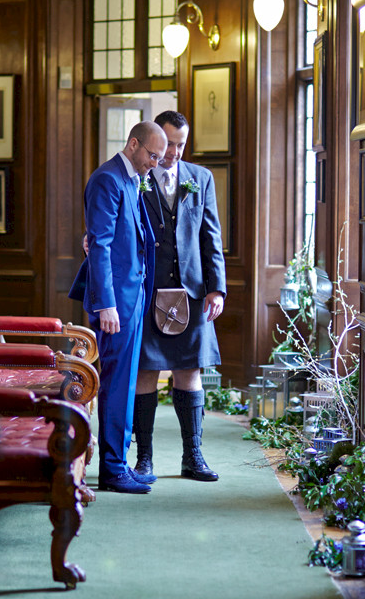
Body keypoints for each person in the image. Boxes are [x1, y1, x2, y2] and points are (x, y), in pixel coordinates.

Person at [69, 121, 167, 494]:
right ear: (133, 144)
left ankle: (120, 461)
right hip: (115, 304)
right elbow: (101, 245)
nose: (155, 164)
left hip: (134, 296)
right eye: (152, 155)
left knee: (126, 383)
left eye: (159, 157)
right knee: (115, 383)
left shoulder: (131, 179)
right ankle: (112, 469)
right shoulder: (107, 179)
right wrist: (106, 304)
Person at [133, 110, 227, 482]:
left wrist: (217, 288)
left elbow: (211, 236)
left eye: (180, 144)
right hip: (147, 292)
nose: (173, 152)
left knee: (190, 372)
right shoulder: (136, 175)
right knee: (146, 373)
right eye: (168, 143)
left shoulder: (200, 179)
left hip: (191, 292)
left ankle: (194, 457)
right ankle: (145, 460)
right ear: (155, 138)